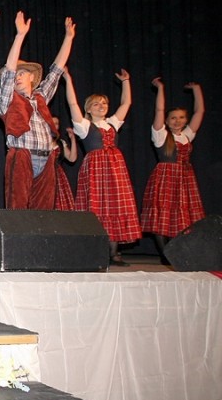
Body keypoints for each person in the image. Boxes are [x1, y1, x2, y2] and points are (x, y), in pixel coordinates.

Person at [0, 11, 76, 210]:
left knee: (44, 210)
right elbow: (8, 72)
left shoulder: (40, 97)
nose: (17, 77)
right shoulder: (7, 100)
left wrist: (68, 38)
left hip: (47, 157)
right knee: (17, 209)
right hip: (22, 156)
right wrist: (20, 36)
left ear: (32, 77)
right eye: (16, 74)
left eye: (22, 73)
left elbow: (56, 71)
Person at [64, 67, 141, 266]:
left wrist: (126, 82)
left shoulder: (112, 123)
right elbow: (72, 103)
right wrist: (68, 79)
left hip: (115, 169)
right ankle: (97, 253)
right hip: (96, 170)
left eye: (104, 103)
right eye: (96, 104)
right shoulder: (84, 126)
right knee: (97, 207)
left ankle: (114, 253)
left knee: (115, 205)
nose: (101, 106)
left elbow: (126, 103)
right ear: (88, 109)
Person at [140, 77, 205, 262]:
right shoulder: (160, 135)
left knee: (182, 216)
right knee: (162, 214)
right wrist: (160, 88)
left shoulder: (187, 135)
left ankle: (180, 251)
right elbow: (159, 110)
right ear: (167, 121)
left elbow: (200, 111)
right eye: (173, 118)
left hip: (184, 179)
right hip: (166, 177)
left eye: (181, 117)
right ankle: (165, 254)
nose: (177, 121)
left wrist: (196, 90)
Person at [51, 117, 77, 211]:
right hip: (43, 173)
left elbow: (72, 158)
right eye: (52, 122)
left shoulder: (60, 143)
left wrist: (73, 139)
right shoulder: (40, 141)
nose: (54, 125)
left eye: (56, 123)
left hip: (57, 175)